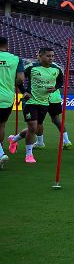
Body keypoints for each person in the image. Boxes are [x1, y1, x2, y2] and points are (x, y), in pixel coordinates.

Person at [8, 47, 64, 163]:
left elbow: (60, 81)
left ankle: (14, 139)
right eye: (48, 56)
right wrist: (24, 92)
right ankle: (29, 155)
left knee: (33, 128)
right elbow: (18, 80)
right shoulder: (31, 68)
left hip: (44, 102)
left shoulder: (56, 69)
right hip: (30, 102)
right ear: (41, 56)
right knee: (33, 127)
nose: (51, 58)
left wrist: (55, 88)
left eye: (52, 56)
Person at [0, 37, 24, 167]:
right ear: (7, 46)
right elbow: (20, 78)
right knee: (1, 125)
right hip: (7, 97)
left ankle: (0, 153)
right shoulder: (15, 59)